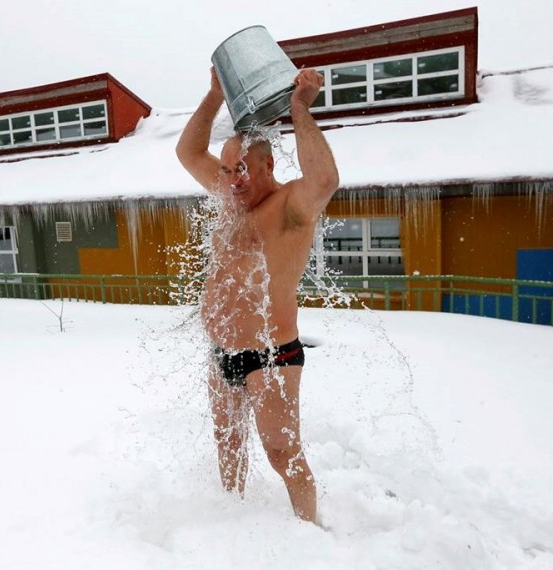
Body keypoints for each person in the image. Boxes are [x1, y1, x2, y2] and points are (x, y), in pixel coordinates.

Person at [175, 67, 339, 522]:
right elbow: (187, 151)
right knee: (228, 445)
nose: (232, 179)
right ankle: (235, 524)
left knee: (282, 452)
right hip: (220, 352)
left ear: (268, 165)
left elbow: (324, 179)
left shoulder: (291, 207)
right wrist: (213, 95)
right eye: (227, 170)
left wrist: (299, 108)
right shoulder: (229, 195)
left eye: (242, 169)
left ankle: (313, 535)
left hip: (271, 356)